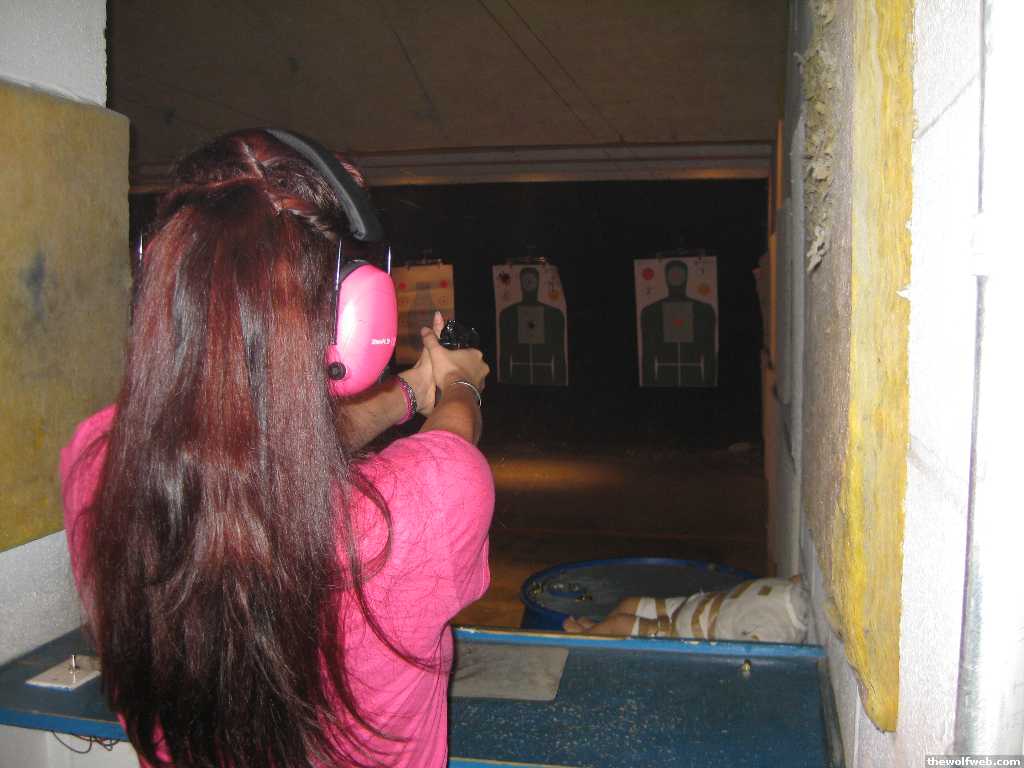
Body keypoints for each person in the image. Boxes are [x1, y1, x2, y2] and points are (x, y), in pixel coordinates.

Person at [59, 129, 492, 768]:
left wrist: (408, 392)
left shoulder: (97, 460)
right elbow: (451, 444)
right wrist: (460, 383)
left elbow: (258, 444)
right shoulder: (427, 501)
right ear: (354, 316)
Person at [562, 577, 808, 644]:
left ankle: (585, 642)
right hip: (691, 605)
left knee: (618, 623)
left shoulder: (774, 627)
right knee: (628, 604)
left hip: (681, 632)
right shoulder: (787, 588)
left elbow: (751, 655)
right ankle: (598, 631)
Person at [640, 259, 717, 387]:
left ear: (687, 276)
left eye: (679, 274)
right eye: (672, 274)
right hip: (665, 380)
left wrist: (708, 384)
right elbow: (647, 357)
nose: (676, 277)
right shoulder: (651, 312)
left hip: (693, 379)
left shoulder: (704, 310)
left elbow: (710, 354)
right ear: (665, 277)